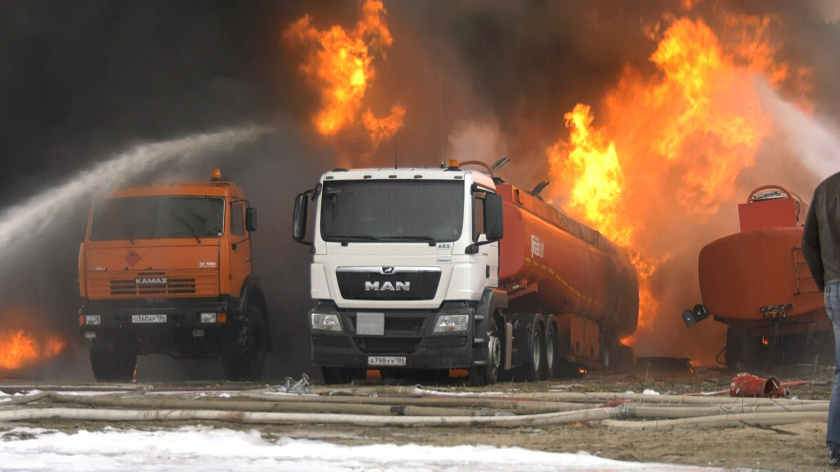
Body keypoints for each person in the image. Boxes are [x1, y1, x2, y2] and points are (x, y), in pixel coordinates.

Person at [802, 171, 840, 467]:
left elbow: (807, 244)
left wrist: (825, 283)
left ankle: (836, 446)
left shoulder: (823, 189)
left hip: (834, 290)